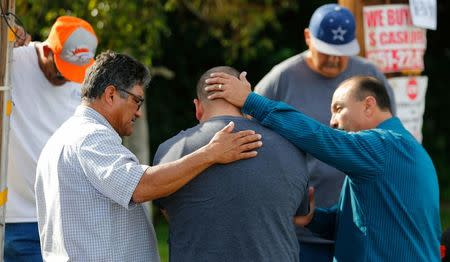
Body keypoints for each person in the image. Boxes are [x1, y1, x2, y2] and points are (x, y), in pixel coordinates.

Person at [34, 52, 262, 261]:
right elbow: (141, 186)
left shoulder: (64, 136)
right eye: (137, 100)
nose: (139, 112)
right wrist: (211, 153)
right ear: (111, 94)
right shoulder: (90, 137)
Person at [204, 73, 441, 261]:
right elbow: (356, 226)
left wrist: (250, 101)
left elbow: (319, 137)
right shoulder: (394, 151)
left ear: (369, 105)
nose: (333, 121)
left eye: (338, 108)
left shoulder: (384, 146)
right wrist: (312, 218)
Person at [254, 4, 396, 260]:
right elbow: (250, 133)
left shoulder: (370, 76)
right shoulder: (281, 78)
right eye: (326, 51)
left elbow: (388, 137)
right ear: (308, 37)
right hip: (300, 228)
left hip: (362, 225)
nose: (333, 59)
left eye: (341, 53)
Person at [153, 66, 310, 261]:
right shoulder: (291, 147)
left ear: (197, 107)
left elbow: (169, 213)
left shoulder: (170, 150)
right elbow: (299, 215)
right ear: (246, 101)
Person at [5, 16, 98, 262]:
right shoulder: (13, 60)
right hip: (18, 219)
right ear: (47, 49)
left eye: (75, 72)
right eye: (61, 69)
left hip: (65, 217)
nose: (68, 77)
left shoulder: (84, 80)